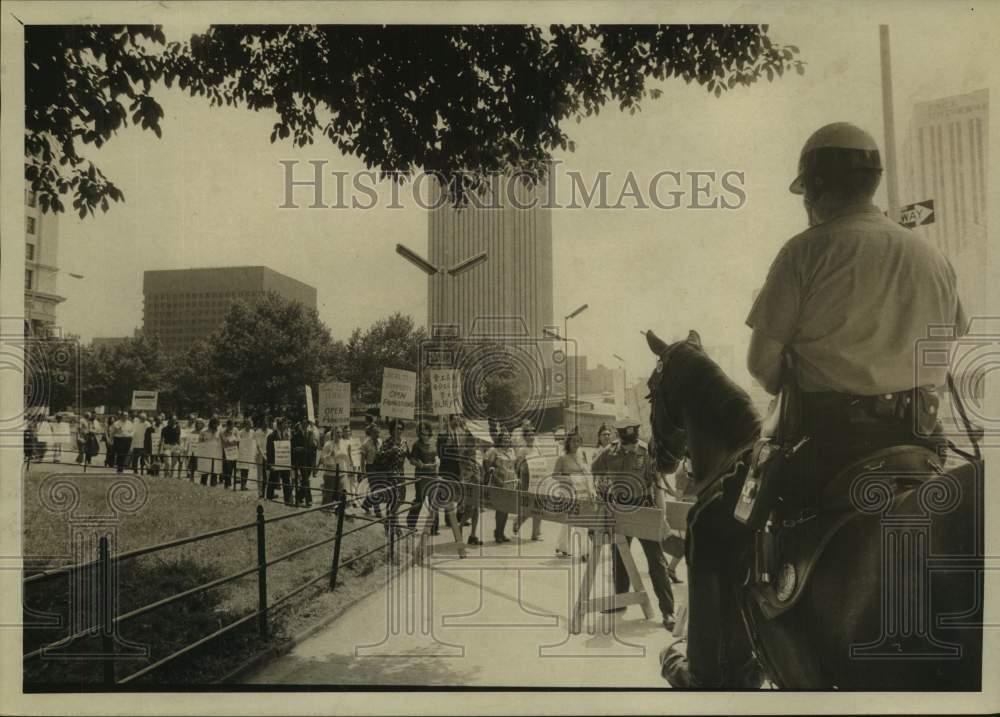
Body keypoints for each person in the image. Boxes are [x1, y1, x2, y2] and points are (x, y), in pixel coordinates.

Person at [662, 123, 967, 689]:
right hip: (921, 449)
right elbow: (954, 335)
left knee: (712, 527)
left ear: (820, 187)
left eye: (806, 193)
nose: (805, 204)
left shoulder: (805, 252)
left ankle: (716, 676)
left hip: (827, 450)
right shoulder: (933, 256)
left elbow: (761, 367)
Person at [591, 417, 675, 631]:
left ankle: (668, 611)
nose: (631, 446)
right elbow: (594, 471)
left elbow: (658, 488)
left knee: (656, 562)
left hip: (644, 509)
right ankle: (620, 601)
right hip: (619, 510)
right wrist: (601, 491)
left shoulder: (647, 453)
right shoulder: (609, 452)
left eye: (633, 441)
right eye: (627, 442)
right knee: (619, 557)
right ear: (620, 437)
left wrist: (661, 518)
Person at [438, 413, 481, 544]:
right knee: (469, 506)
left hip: (475, 474)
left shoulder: (474, 440)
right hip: (465, 474)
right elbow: (459, 457)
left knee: (476, 506)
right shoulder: (462, 440)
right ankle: (459, 528)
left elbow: (478, 458)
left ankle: (473, 534)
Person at [553, 427, 595, 559]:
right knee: (578, 521)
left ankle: (562, 546)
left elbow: (587, 473)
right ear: (568, 442)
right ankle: (585, 552)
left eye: (578, 441)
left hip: (582, 492)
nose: (576, 444)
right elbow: (554, 475)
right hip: (568, 492)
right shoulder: (562, 458)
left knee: (570, 520)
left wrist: (591, 489)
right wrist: (570, 479)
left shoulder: (582, 455)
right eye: (573, 441)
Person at [371, 419, 409, 538]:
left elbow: (409, 456)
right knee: (393, 499)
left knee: (401, 498)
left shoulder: (404, 442)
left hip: (401, 474)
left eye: (401, 428)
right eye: (397, 428)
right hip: (390, 474)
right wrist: (390, 451)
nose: (399, 430)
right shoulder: (387, 442)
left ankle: (389, 521)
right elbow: (377, 457)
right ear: (392, 430)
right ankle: (394, 525)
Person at [482, 425, 517, 544]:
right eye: (504, 438)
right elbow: (486, 464)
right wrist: (491, 470)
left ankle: (502, 532)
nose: (506, 440)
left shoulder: (512, 450)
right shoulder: (494, 451)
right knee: (500, 509)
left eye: (508, 438)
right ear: (500, 439)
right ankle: (497, 532)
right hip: (499, 482)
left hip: (510, 482)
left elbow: (514, 465)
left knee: (506, 508)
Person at [512, 422, 544, 541]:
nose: (531, 437)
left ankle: (536, 533)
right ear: (524, 437)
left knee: (539, 507)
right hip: (527, 481)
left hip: (538, 479)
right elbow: (517, 465)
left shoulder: (537, 447)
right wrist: (524, 468)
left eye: (532, 435)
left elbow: (542, 461)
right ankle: (518, 521)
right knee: (529, 507)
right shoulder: (522, 450)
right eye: (528, 435)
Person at [406, 421, 439, 533]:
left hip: (433, 475)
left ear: (429, 430)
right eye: (421, 430)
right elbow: (412, 460)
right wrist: (419, 464)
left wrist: (437, 462)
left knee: (433, 501)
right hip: (421, 476)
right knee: (419, 500)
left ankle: (433, 528)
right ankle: (411, 524)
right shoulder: (416, 445)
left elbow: (437, 456)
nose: (424, 432)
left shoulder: (434, 442)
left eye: (425, 429)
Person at [318, 425, 355, 512]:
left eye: (340, 432)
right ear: (333, 434)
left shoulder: (345, 444)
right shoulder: (328, 444)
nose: (339, 434)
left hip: (342, 473)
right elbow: (322, 459)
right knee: (328, 495)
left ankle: (341, 513)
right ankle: (325, 512)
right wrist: (330, 455)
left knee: (342, 493)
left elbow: (348, 458)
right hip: (330, 474)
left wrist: (350, 469)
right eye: (337, 432)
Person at [266, 418, 294, 504]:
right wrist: (270, 464)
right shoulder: (271, 436)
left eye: (286, 424)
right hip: (275, 462)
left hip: (285, 461)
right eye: (284, 424)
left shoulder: (287, 435)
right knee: (272, 480)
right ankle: (269, 498)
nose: (286, 426)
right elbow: (269, 451)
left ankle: (287, 500)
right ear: (279, 425)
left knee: (286, 480)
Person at [290, 418, 317, 507]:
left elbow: (313, 449)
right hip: (301, 461)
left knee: (305, 481)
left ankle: (299, 497)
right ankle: (308, 500)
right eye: (303, 424)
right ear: (301, 425)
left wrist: (314, 464)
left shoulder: (311, 434)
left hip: (309, 461)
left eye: (307, 424)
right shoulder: (296, 435)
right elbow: (292, 448)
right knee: (305, 479)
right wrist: (298, 450)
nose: (305, 426)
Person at [359, 424, 382, 516]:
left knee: (379, 488)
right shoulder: (366, 444)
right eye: (375, 432)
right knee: (375, 488)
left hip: (380, 467)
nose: (377, 434)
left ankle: (366, 504)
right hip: (370, 467)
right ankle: (377, 510)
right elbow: (362, 460)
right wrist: (362, 472)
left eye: (378, 432)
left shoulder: (380, 442)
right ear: (371, 433)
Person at [220, 419, 240, 489]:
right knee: (227, 467)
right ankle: (227, 483)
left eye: (232, 425)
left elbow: (238, 440)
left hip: (234, 451)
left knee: (234, 467)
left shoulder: (236, 430)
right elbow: (225, 440)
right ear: (227, 425)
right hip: (226, 451)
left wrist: (231, 439)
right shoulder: (222, 431)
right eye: (230, 426)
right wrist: (232, 438)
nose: (231, 427)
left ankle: (232, 482)